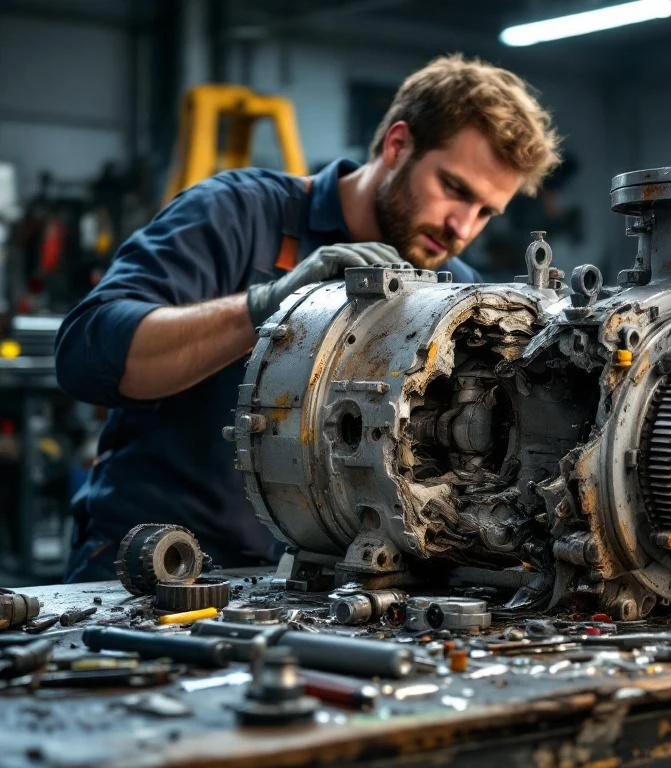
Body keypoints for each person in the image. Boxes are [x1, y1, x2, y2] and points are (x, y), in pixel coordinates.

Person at [55, 54, 562, 582]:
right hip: (157, 564)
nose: (462, 227)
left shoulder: (453, 291)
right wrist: (265, 305)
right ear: (397, 145)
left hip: (324, 587)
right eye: (454, 189)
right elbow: (86, 356)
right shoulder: (238, 215)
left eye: (485, 212)